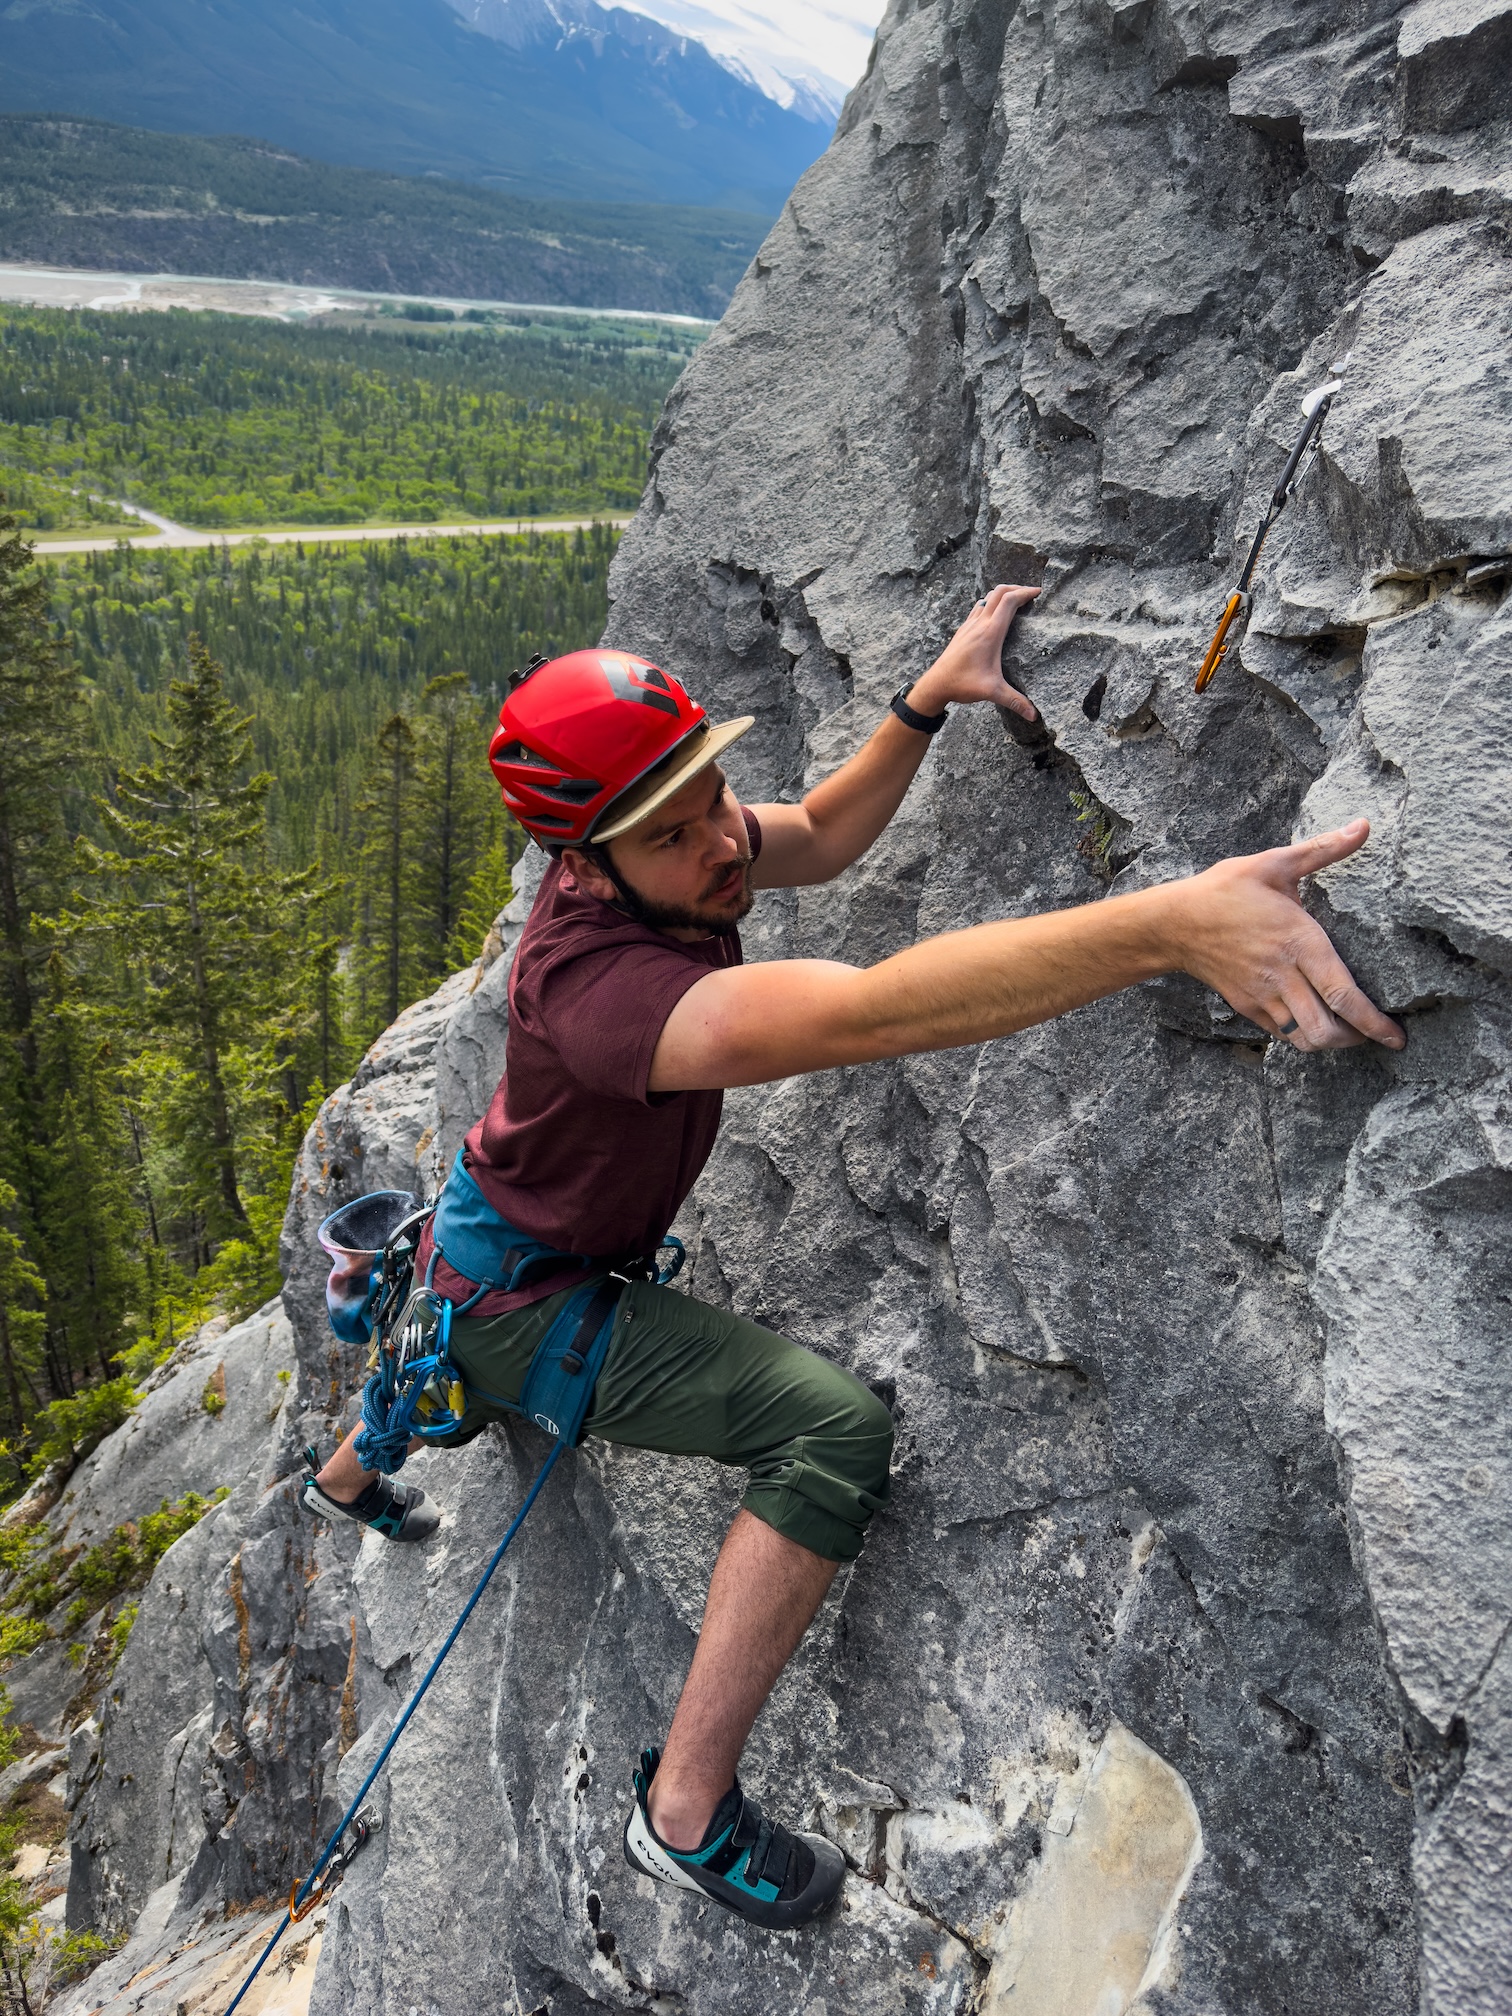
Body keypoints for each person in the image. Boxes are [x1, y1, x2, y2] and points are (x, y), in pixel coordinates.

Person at [300, 585, 1403, 1930]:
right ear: (581, 865)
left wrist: (920, 705)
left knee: (444, 1351)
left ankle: (352, 1472)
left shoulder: (653, 851)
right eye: (679, 829)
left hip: (495, 1225)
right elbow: (879, 1012)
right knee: (828, 1435)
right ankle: (684, 1813)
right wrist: (1173, 926)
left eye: (714, 792)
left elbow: (813, 832)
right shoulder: (603, 1003)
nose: (723, 839)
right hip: (531, 1293)